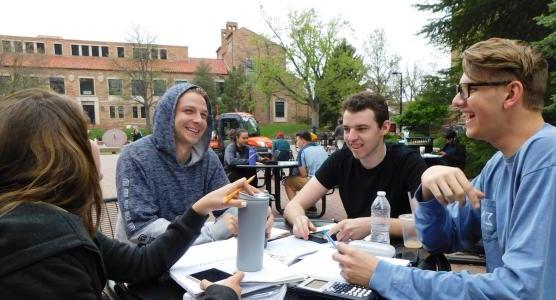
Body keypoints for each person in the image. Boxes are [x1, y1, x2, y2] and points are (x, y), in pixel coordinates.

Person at [333, 38, 556, 299]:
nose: (456, 101)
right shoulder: (499, 165)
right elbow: (441, 239)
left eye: (467, 89)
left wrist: (383, 275)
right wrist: (427, 190)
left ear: (511, 94)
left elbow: (523, 292)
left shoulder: (551, 161)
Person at [0, 89, 246, 299]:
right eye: (84, 137)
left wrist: (198, 211)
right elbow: (142, 233)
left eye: (204, 114)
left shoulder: (56, 225)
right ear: (58, 155)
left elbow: (140, 263)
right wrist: (220, 295)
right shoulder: (49, 254)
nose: (95, 144)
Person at [116, 83, 272, 246]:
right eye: (188, 111)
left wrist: (255, 213)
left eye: (204, 115)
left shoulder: (207, 158)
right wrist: (212, 233)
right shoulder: (134, 156)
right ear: (167, 115)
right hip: (141, 261)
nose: (198, 120)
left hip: (190, 255)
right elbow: (140, 229)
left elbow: (227, 205)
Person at [284, 91, 427, 241]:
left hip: (400, 256)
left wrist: (374, 223)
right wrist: (299, 219)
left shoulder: (408, 162)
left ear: (384, 128)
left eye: (362, 128)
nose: (351, 138)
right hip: (355, 252)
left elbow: (425, 226)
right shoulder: (341, 159)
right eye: (346, 129)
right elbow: (294, 205)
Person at [284, 130, 328, 200]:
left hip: (317, 183)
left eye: (297, 140)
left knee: (288, 181)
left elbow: (303, 174)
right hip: (328, 182)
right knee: (305, 178)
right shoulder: (321, 148)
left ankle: (295, 206)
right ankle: (311, 206)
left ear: (303, 140)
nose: (296, 143)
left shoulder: (303, 151)